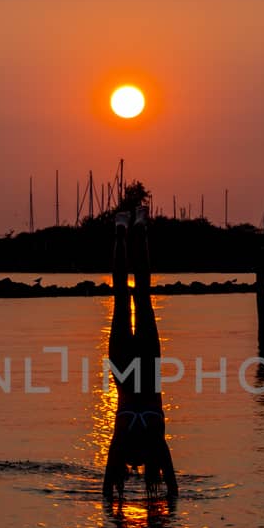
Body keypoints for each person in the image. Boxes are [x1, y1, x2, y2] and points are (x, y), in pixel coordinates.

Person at [102, 207, 178, 499]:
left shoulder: (156, 444)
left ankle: (141, 230)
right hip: (124, 372)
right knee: (122, 295)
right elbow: (107, 492)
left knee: (143, 295)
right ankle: (121, 231)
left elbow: (173, 490)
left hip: (148, 374)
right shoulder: (121, 443)